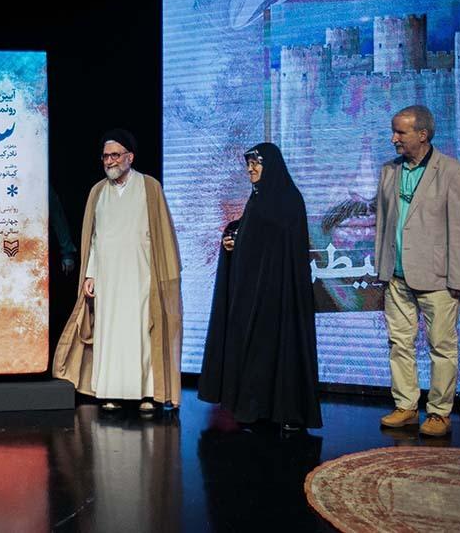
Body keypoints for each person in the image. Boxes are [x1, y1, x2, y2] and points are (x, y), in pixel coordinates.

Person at [53, 130, 182, 413]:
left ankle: (148, 394)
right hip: (108, 278)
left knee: (142, 332)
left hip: (141, 275)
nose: (109, 161)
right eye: (105, 156)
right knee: (110, 333)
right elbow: (94, 239)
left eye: (115, 155)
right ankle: (110, 393)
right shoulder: (98, 192)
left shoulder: (149, 187)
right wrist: (90, 274)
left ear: (130, 157)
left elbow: (161, 235)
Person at [198, 142, 322, 431]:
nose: (251, 169)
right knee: (255, 352)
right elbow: (251, 233)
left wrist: (242, 238)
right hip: (254, 294)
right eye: (248, 164)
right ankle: (255, 409)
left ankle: (286, 412)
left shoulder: (288, 200)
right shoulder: (257, 198)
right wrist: (233, 235)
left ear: (272, 166)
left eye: (256, 163)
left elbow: (276, 244)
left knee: (279, 352)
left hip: (279, 296)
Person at [374, 105, 460, 437]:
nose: (394, 139)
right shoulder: (389, 171)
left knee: (442, 346)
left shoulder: (454, 172)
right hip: (396, 275)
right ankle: (405, 406)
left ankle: (439, 412)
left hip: (438, 278)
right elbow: (383, 223)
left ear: (423, 134)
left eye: (400, 133)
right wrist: (382, 267)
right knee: (398, 342)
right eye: (393, 132)